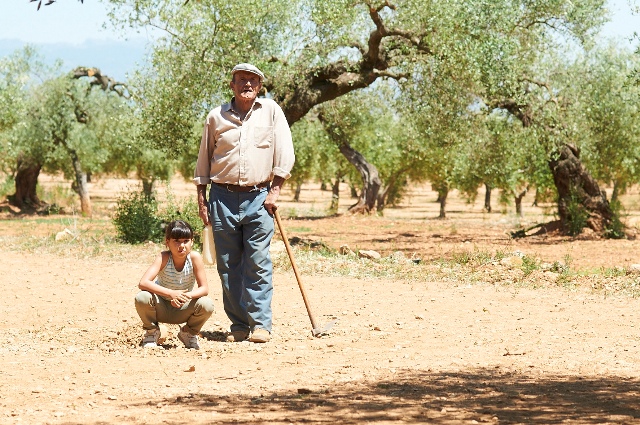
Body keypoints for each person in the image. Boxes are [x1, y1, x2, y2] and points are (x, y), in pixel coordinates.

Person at [193, 63, 295, 343]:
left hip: (259, 197)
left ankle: (261, 324)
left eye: (253, 80)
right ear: (232, 85)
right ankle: (239, 325)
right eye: (241, 80)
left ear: (260, 87)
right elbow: (204, 161)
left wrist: (275, 191)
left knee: (258, 262)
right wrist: (202, 200)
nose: (247, 84)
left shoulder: (271, 112)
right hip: (222, 198)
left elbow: (285, 153)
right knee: (228, 265)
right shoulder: (216, 117)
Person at [135, 220, 215, 349]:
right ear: (168, 243)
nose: (181, 245)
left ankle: (188, 333)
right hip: (161, 307)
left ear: (192, 242)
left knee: (207, 304)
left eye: (186, 241)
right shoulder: (163, 257)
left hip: (183, 307)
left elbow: (204, 289)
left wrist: (185, 296)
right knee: (142, 297)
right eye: (176, 241)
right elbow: (143, 282)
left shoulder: (195, 258)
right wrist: (171, 293)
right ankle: (152, 332)